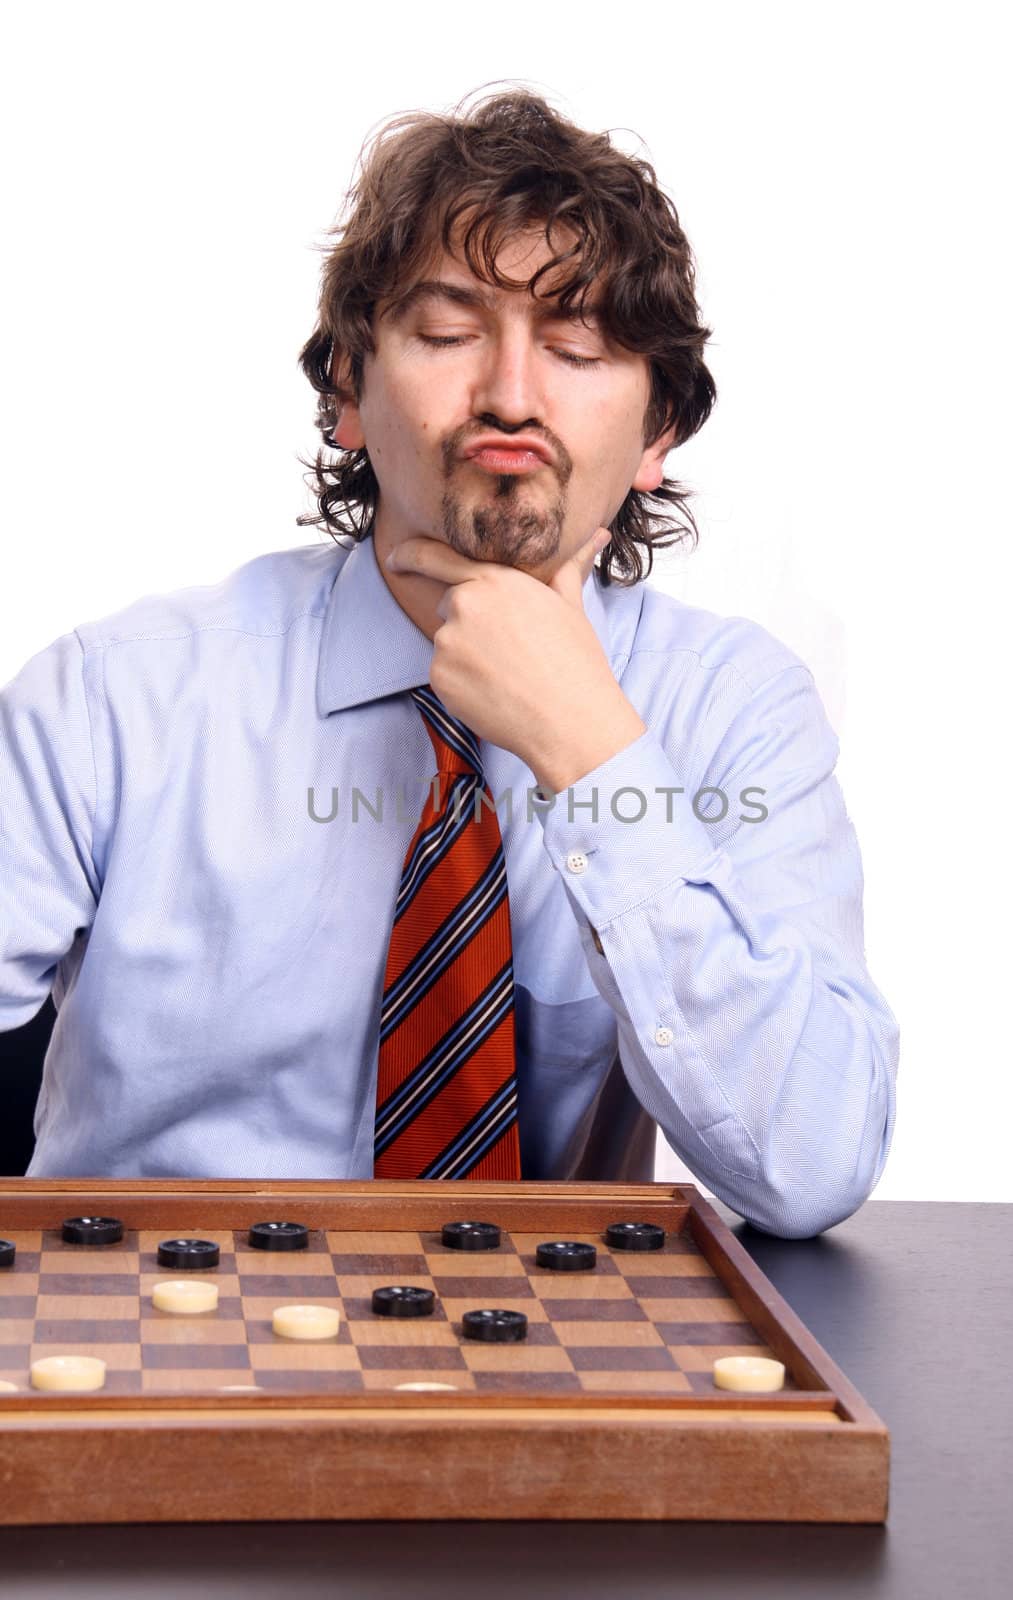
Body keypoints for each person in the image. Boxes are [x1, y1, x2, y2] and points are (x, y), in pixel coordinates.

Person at [0, 87, 898, 1238]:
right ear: (346, 395)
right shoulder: (113, 698)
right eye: (444, 333)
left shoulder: (730, 710)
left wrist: (589, 749)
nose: (510, 398)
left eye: (576, 345)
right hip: (152, 1354)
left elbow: (812, 1160)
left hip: (532, 1370)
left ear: (658, 434)